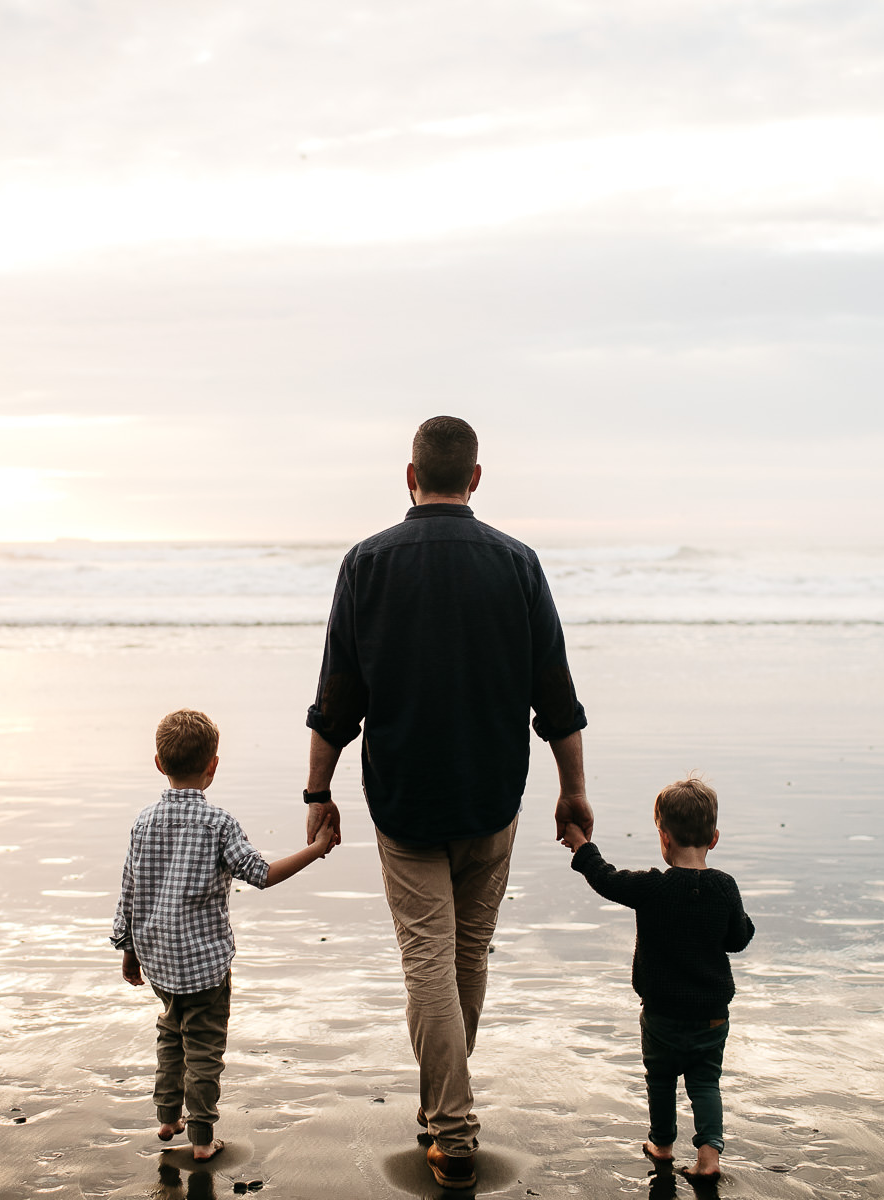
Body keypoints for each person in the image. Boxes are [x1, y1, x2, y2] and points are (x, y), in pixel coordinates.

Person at [302, 415, 592, 1190]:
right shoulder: (517, 563)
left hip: (403, 798)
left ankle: (451, 1127)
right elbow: (555, 696)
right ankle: (443, 1117)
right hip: (492, 793)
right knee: (463, 955)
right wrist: (574, 790)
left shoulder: (367, 563)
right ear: (475, 477)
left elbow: (338, 697)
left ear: (409, 476)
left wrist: (318, 790)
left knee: (429, 956)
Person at [112, 708, 339, 1160]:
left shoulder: (143, 822)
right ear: (213, 765)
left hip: (159, 959)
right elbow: (262, 874)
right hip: (205, 965)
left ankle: (167, 1117)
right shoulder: (219, 824)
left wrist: (128, 949)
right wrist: (315, 850)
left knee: (170, 1033)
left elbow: (130, 889)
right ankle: (200, 1139)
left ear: (158, 762)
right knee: (204, 1047)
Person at [559, 775, 755, 1180]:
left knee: (661, 1080)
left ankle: (662, 1145)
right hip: (712, 1016)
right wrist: (744, 922)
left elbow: (605, 877)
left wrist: (581, 845)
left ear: (663, 838)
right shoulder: (724, 887)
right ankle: (709, 1157)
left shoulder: (651, 887)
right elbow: (738, 939)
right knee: (705, 1083)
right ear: (714, 838)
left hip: (662, 1014)